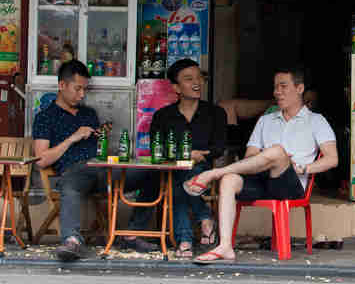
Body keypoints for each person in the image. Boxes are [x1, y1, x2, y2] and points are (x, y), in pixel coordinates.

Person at [183, 65, 338, 264]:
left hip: (291, 184)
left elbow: (332, 159)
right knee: (230, 180)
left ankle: (213, 173)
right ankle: (225, 246)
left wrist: (304, 168)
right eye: (275, 87)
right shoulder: (266, 120)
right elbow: (250, 155)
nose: (277, 92)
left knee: (277, 151)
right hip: (261, 180)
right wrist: (267, 158)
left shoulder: (316, 121)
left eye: (283, 86)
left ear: (299, 89)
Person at [33, 60, 158, 261]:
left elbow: (99, 147)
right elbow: (41, 160)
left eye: (85, 89)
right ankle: (72, 241)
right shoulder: (45, 117)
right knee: (70, 184)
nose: (82, 95)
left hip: (103, 169)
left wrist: (102, 137)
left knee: (153, 173)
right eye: (78, 89)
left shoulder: (88, 113)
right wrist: (73, 137)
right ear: (62, 85)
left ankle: (132, 234)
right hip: (74, 172)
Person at [150, 58, 227, 258]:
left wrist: (199, 156)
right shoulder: (162, 116)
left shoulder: (216, 113)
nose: (197, 82)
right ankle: (205, 218)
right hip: (172, 170)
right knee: (178, 177)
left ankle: (184, 240)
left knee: (180, 179)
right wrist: (183, 156)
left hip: (203, 171)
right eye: (188, 79)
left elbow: (219, 148)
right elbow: (156, 149)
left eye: (199, 78)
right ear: (176, 87)